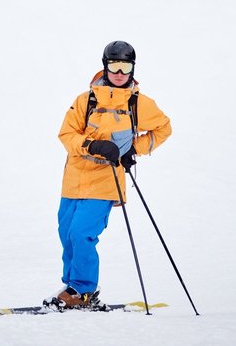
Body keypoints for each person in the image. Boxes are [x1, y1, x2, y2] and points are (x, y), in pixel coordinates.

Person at [44, 41, 172, 311]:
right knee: (66, 234)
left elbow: (163, 128)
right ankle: (72, 288)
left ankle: (83, 289)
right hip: (75, 178)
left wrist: (133, 150)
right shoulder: (86, 99)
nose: (119, 72)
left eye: (125, 66)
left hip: (106, 182)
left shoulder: (139, 103)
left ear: (132, 68)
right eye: (114, 65)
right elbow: (66, 134)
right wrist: (91, 145)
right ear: (105, 65)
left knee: (81, 234)